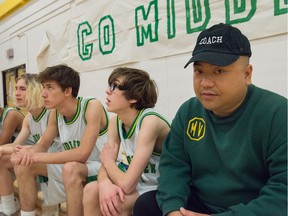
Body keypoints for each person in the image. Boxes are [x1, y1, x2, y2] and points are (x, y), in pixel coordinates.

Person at [133, 23, 287, 216]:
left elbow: (283, 189)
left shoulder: (278, 113)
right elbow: (173, 167)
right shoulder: (189, 111)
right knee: (147, 205)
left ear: (247, 74)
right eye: (199, 71)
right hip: (200, 205)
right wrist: (172, 210)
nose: (205, 83)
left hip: (251, 208)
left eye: (219, 71)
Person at [11, 64, 109, 216]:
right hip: (73, 166)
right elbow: (42, 146)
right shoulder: (55, 114)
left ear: (67, 91)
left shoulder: (91, 106)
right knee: (24, 165)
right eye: (43, 87)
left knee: (71, 168)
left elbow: (82, 154)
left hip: (100, 167)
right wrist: (26, 153)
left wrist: (37, 155)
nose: (43, 93)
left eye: (49, 87)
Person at [82, 67, 171, 216]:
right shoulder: (115, 121)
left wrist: (108, 162)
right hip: (142, 183)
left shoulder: (150, 121)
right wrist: (104, 184)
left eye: (114, 86)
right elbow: (106, 163)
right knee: (91, 190)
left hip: (162, 187)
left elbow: (127, 184)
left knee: (117, 203)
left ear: (133, 97)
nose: (107, 91)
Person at [0, 73, 60, 216]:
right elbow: (16, 145)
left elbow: (39, 148)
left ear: (35, 90)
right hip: (43, 161)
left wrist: (2, 148)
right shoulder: (29, 117)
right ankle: (8, 207)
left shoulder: (51, 112)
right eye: (16, 88)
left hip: (59, 161)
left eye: (22, 89)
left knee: (22, 163)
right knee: (3, 160)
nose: (17, 93)